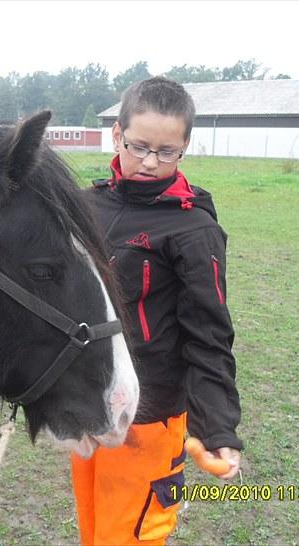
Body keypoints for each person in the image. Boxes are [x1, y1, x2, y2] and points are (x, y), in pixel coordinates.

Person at [71, 76, 243, 545]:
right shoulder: (85, 206)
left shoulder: (193, 229)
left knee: (132, 536)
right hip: (90, 405)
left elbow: (209, 335)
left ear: (184, 148)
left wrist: (218, 425)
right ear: (117, 135)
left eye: (167, 152)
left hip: (150, 416)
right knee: (94, 529)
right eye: (139, 146)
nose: (150, 162)